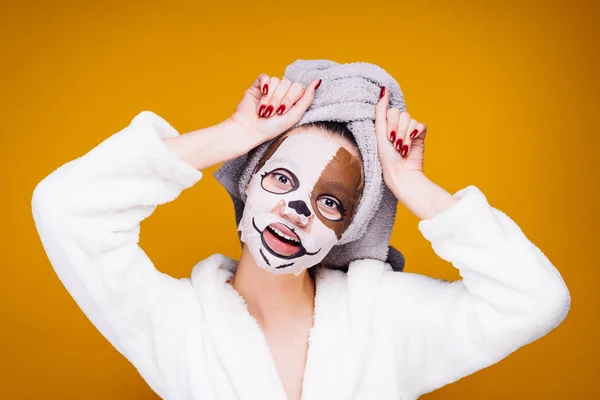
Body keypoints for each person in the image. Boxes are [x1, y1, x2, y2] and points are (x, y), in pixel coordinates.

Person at [32, 60, 571, 400]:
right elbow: (65, 207)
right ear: (248, 184)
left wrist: (411, 183)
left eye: (330, 202)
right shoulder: (173, 323)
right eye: (282, 177)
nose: (296, 210)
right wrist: (235, 133)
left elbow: (536, 300)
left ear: (347, 230)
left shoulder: (387, 319)